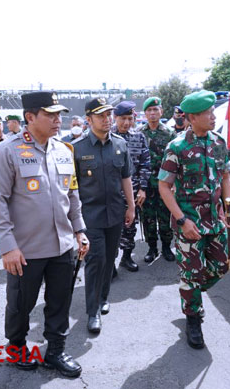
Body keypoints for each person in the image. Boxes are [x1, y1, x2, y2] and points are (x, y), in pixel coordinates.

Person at [0, 91, 88, 377]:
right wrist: (7, 247)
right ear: (30, 117)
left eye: (60, 114)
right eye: (51, 115)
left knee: (60, 301)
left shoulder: (63, 149)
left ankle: (55, 350)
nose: (59, 120)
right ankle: (17, 346)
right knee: (21, 304)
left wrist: (79, 230)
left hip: (62, 245)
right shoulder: (7, 151)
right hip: (25, 249)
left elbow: (72, 194)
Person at [158, 90, 230, 349]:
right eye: (208, 113)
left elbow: (225, 177)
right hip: (189, 223)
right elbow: (164, 187)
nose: (213, 116)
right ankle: (193, 318)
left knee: (222, 267)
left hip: (216, 221)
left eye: (213, 112)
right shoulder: (177, 146)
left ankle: (190, 295)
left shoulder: (218, 142)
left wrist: (229, 207)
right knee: (191, 274)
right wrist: (181, 221)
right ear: (192, 117)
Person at [73, 97, 135, 334]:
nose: (107, 119)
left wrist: (130, 206)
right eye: (101, 116)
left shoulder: (120, 144)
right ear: (88, 120)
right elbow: (71, 187)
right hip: (90, 215)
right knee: (95, 260)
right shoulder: (77, 149)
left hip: (115, 213)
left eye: (109, 115)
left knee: (110, 258)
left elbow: (125, 177)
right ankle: (93, 311)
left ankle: (104, 297)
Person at [111, 101, 150, 272]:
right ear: (115, 118)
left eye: (130, 118)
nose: (126, 123)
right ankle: (109, 264)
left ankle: (126, 258)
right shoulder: (106, 136)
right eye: (122, 119)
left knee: (130, 226)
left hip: (132, 192)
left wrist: (142, 188)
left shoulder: (138, 137)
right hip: (110, 193)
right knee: (111, 229)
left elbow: (145, 164)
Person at [139, 97, 175, 262]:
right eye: (149, 110)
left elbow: (176, 160)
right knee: (148, 218)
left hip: (164, 185)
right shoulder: (139, 133)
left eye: (155, 110)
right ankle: (152, 248)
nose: (152, 113)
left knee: (165, 217)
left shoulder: (169, 133)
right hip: (146, 185)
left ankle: (167, 247)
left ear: (161, 112)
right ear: (145, 113)